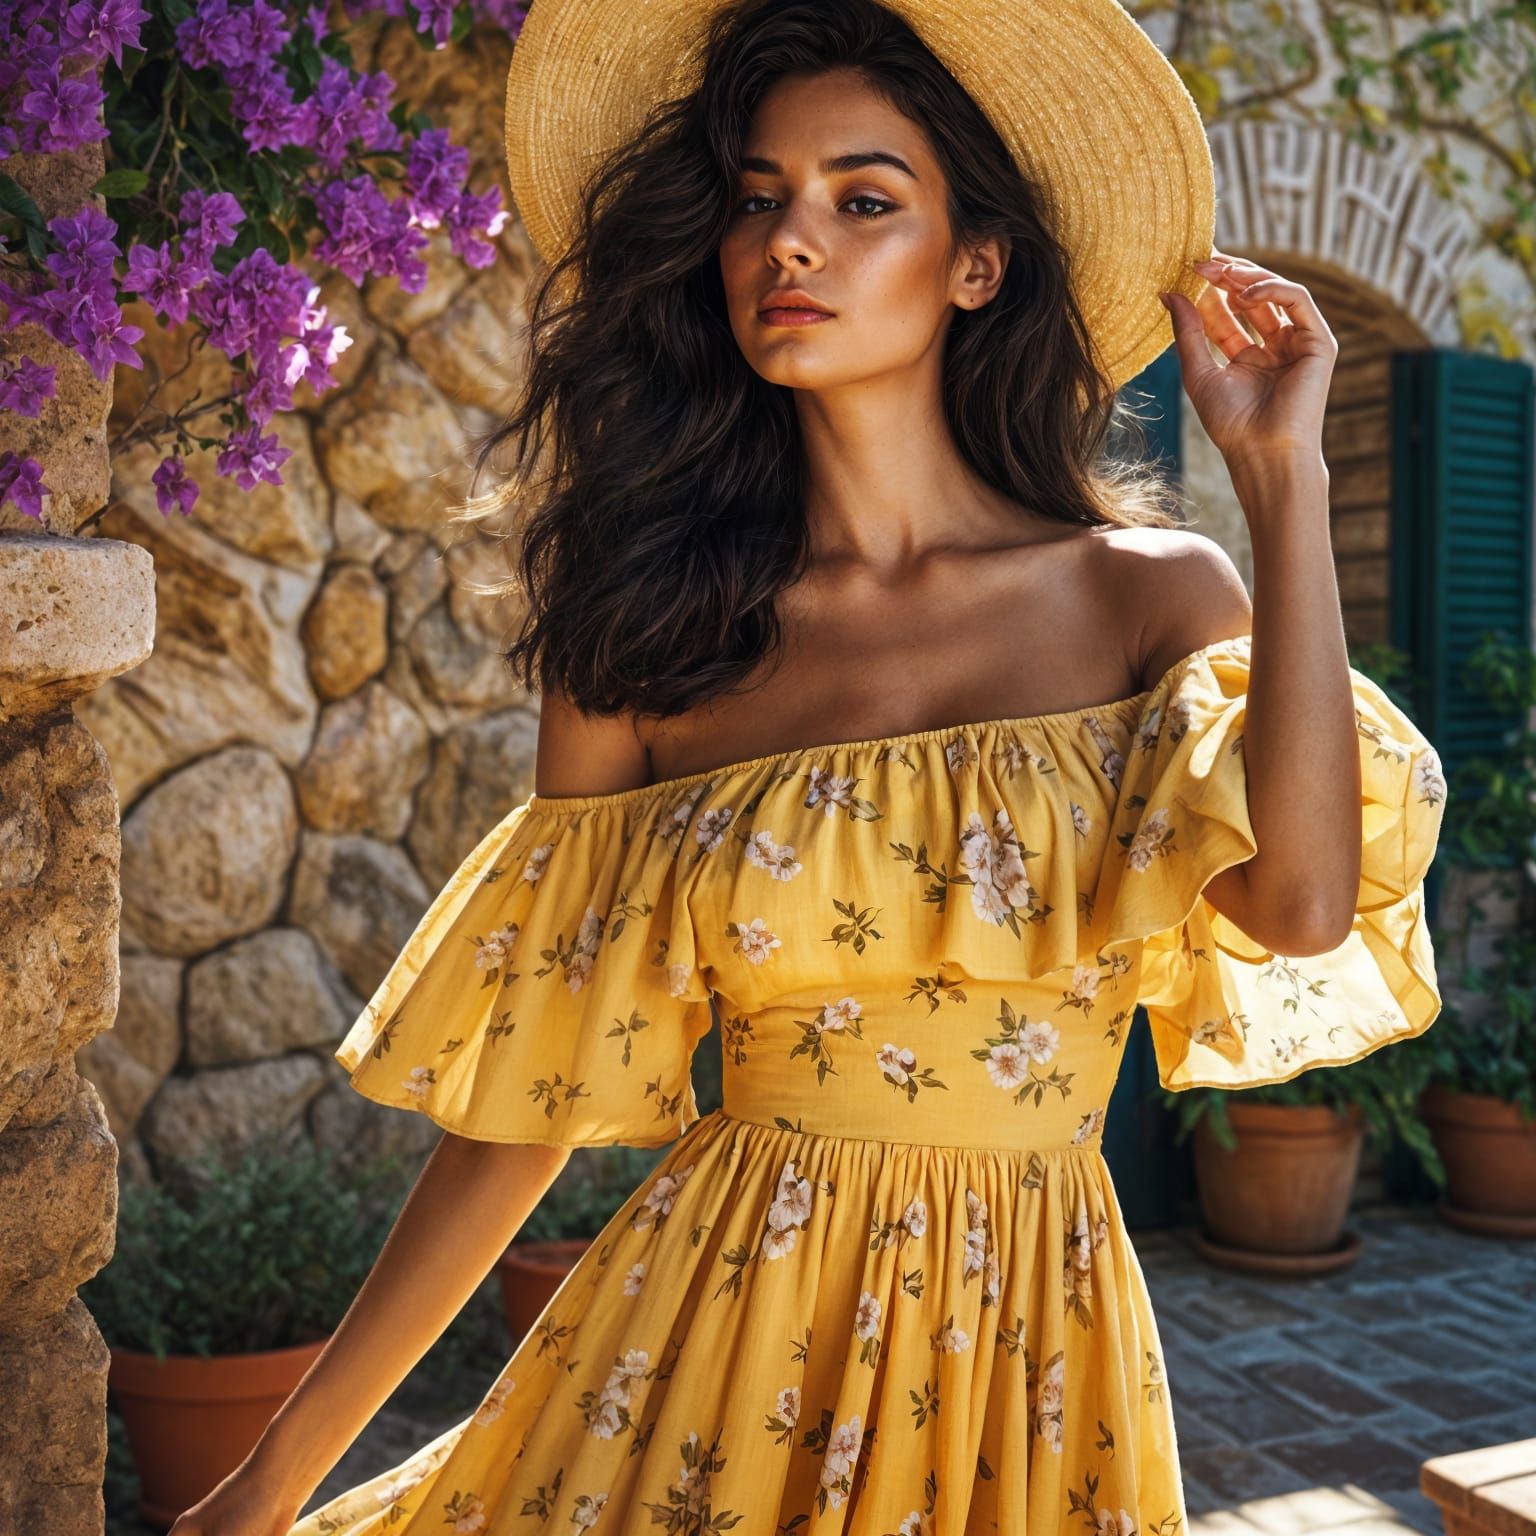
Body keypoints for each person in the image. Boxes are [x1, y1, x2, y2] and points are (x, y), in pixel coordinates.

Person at [170, 0, 1447, 1531]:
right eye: (756, 199)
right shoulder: (648, 635)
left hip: (1031, 1360)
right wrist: (266, 1480)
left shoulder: (1148, 597)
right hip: (710, 1349)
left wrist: (1282, 480)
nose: (791, 244)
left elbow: (1305, 901)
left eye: (863, 199)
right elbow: (527, 1108)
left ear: (976, 264)